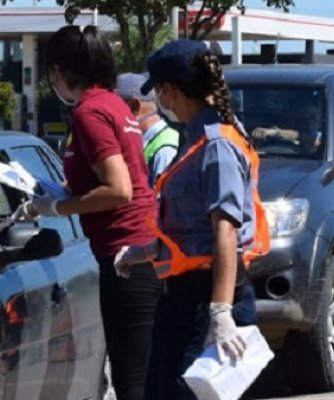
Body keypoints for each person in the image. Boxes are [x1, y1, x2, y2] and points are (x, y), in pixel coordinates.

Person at [114, 40, 269, 399]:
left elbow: (225, 231)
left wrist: (220, 312)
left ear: (170, 91)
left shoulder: (217, 144)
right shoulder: (196, 137)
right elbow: (192, 227)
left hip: (205, 301)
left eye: (161, 93)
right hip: (185, 300)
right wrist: (147, 250)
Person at [26, 25, 161, 400]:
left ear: (60, 71)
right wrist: (61, 192)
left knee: (132, 382)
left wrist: (55, 206)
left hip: (127, 255)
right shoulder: (113, 103)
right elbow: (112, 178)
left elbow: (118, 189)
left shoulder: (90, 112)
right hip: (135, 251)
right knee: (138, 376)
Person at [116, 73, 179, 187]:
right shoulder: (143, 142)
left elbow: (162, 202)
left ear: (134, 107)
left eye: (113, 109)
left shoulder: (165, 150)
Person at [251, 98, 322, 156]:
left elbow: (310, 137)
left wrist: (276, 133)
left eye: (312, 118)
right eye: (301, 119)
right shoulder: (270, 138)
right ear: (287, 117)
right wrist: (259, 138)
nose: (308, 123)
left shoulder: (324, 136)